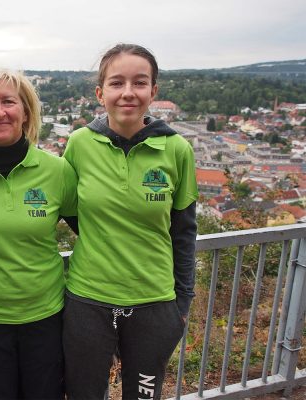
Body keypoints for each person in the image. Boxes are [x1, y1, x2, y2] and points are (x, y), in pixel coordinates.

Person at [62, 44, 198, 400]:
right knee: (84, 394)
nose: (127, 92)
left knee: (142, 396)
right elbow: (73, 211)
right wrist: (105, 237)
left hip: (153, 301)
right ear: (100, 93)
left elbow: (184, 232)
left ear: (153, 91)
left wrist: (181, 305)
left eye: (139, 83)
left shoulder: (177, 150)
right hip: (88, 300)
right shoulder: (78, 144)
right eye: (116, 82)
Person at [0, 69, 77, 400]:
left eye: (8, 101)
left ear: (25, 112)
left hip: (47, 319)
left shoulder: (57, 171)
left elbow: (93, 236)